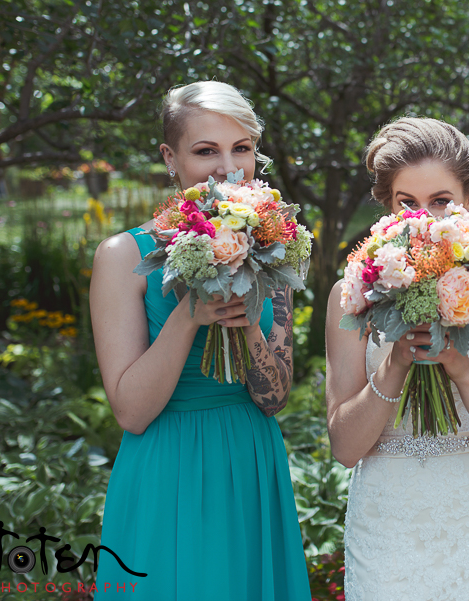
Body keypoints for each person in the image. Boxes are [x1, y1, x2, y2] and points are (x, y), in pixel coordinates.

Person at [90, 81, 310, 599]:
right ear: (171, 157)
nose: (228, 168)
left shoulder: (274, 250)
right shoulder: (122, 256)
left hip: (250, 458)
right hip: (168, 464)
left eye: (242, 148)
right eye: (206, 150)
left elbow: (274, 398)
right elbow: (130, 413)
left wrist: (247, 321)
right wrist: (191, 314)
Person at [324, 117, 469, 600]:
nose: (423, 218)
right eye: (406, 202)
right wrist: (396, 362)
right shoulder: (352, 295)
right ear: (387, 206)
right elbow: (344, 448)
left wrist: (461, 368)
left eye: (441, 201)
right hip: (386, 533)